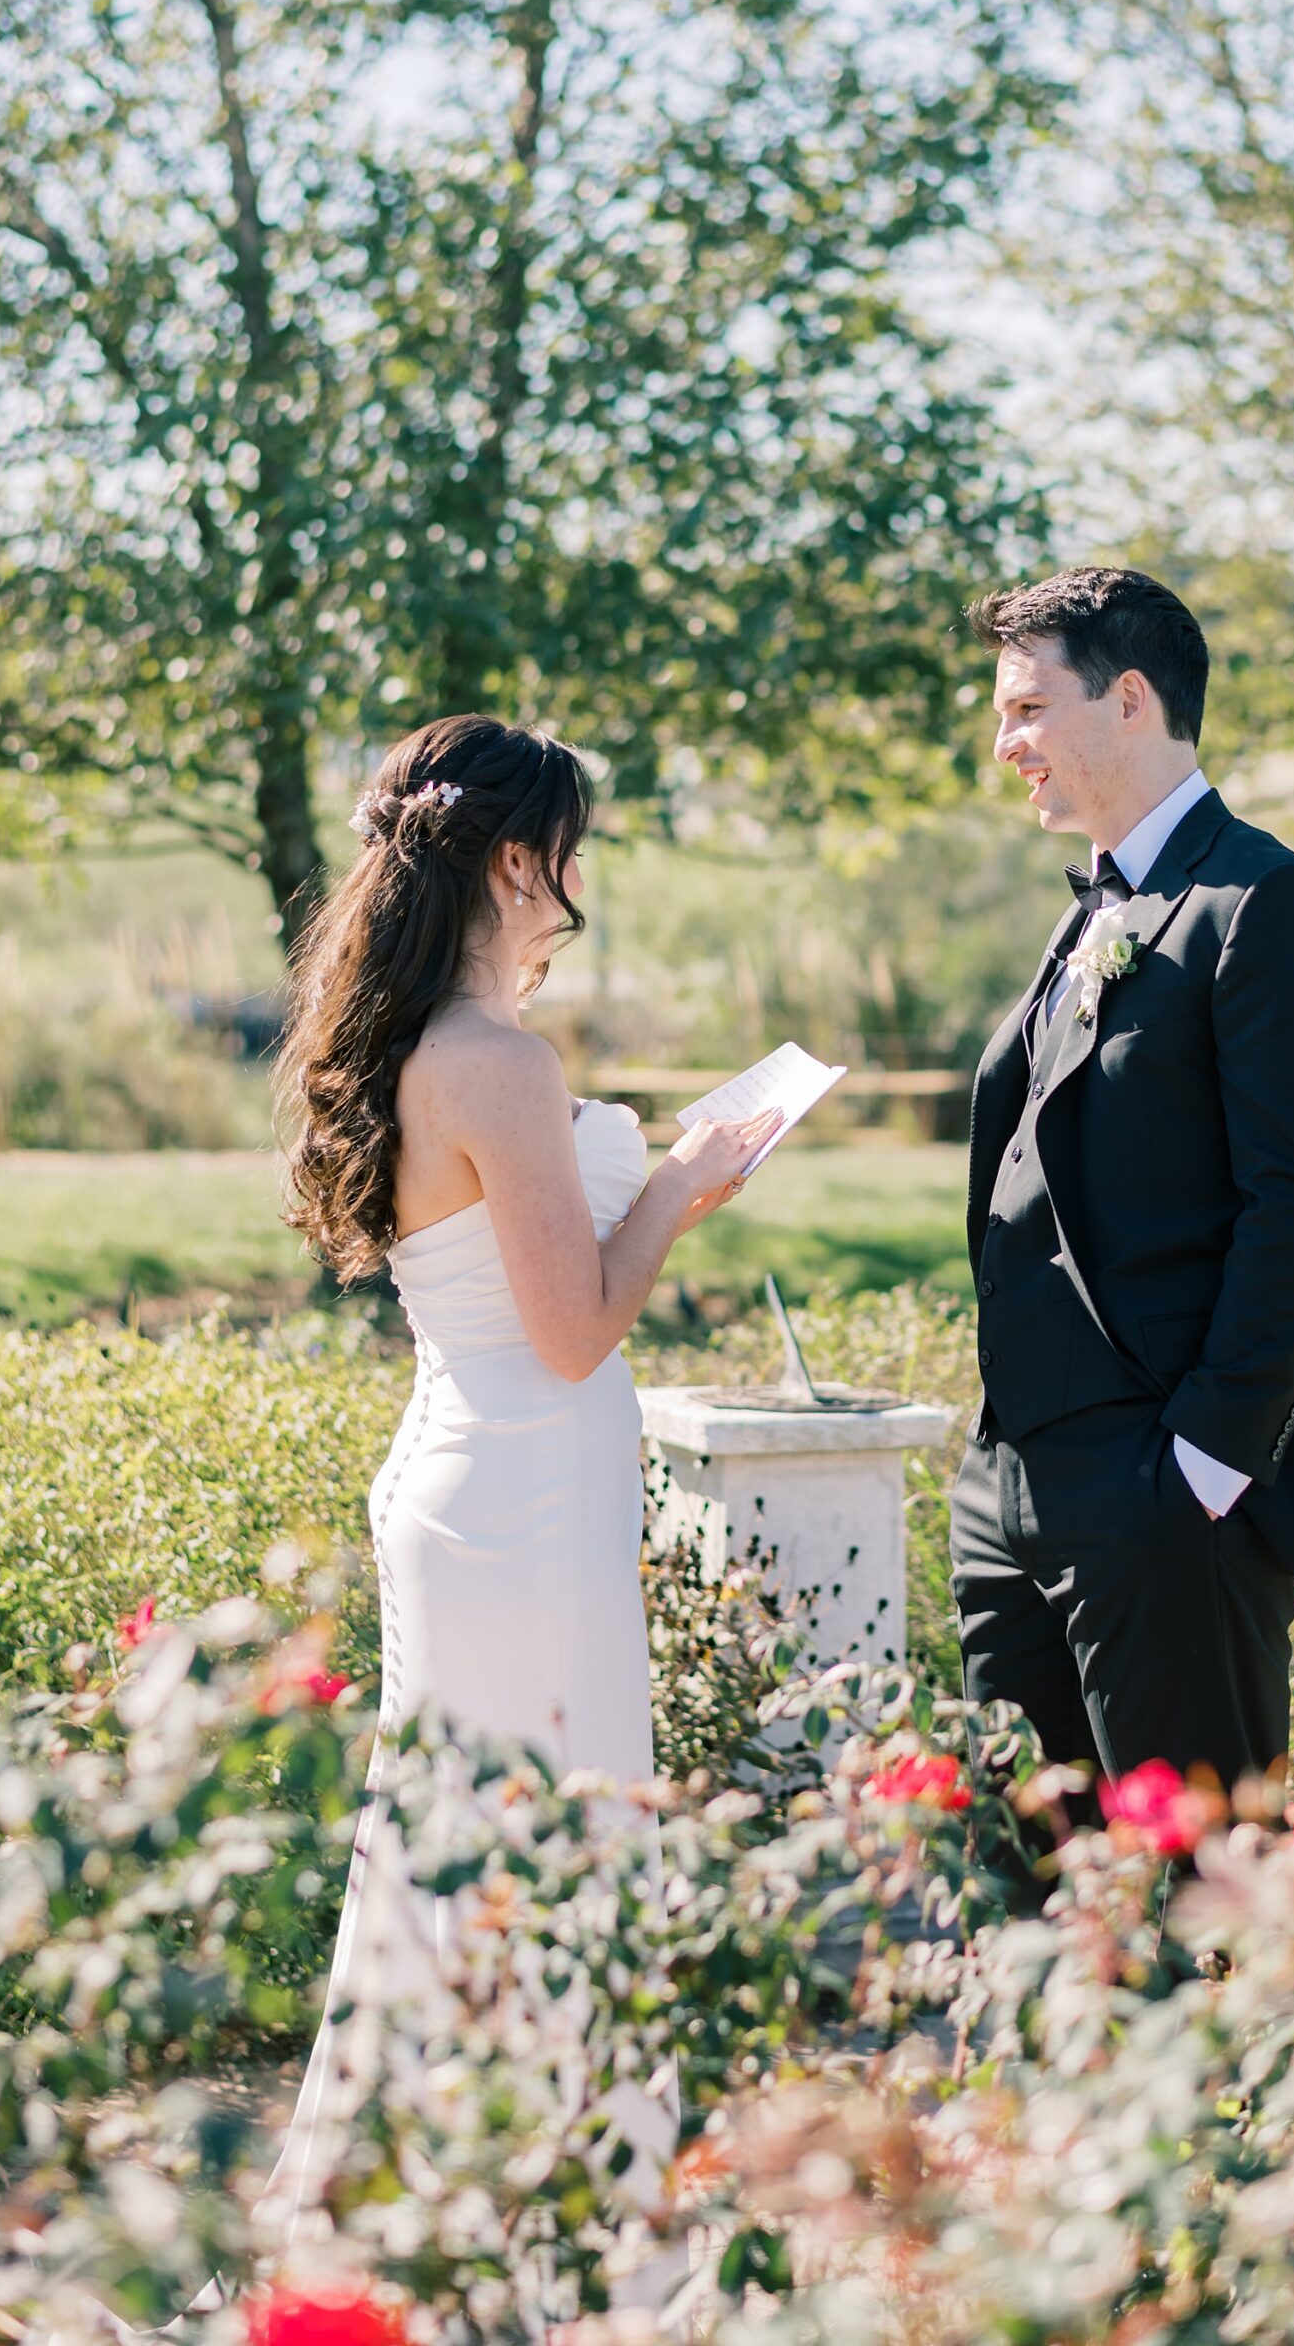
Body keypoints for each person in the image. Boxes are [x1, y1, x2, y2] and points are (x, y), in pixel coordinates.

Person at [263, 711, 779, 2251]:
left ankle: (436, 2198)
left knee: (449, 1843)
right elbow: (574, 1332)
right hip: (521, 1501)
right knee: (550, 1835)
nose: (574, 889)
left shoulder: (439, 1044)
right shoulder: (493, 1060)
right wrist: (683, 1187)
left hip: (473, 1477)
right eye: (568, 860)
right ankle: (557, 2210)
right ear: (514, 863)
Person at [952, 565, 1294, 1811]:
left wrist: (1204, 1464)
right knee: (1034, 1884)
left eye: (1027, 709)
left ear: (1131, 698)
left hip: (1165, 1488)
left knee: (1211, 1897)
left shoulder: (1267, 905)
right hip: (1013, 1489)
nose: (1007, 745)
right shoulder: (1093, 904)